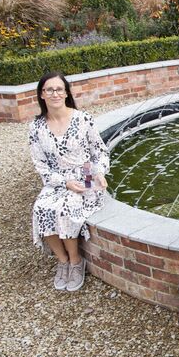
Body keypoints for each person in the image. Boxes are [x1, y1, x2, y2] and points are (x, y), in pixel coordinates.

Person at [29, 71, 110, 292]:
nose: (55, 93)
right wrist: (64, 183)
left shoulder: (83, 119)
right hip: (57, 180)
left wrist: (99, 172)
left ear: (66, 93)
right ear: (42, 95)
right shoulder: (36, 127)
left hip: (84, 174)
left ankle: (76, 261)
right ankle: (62, 260)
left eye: (59, 89)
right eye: (49, 89)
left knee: (66, 208)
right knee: (42, 208)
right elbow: (41, 165)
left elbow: (100, 153)